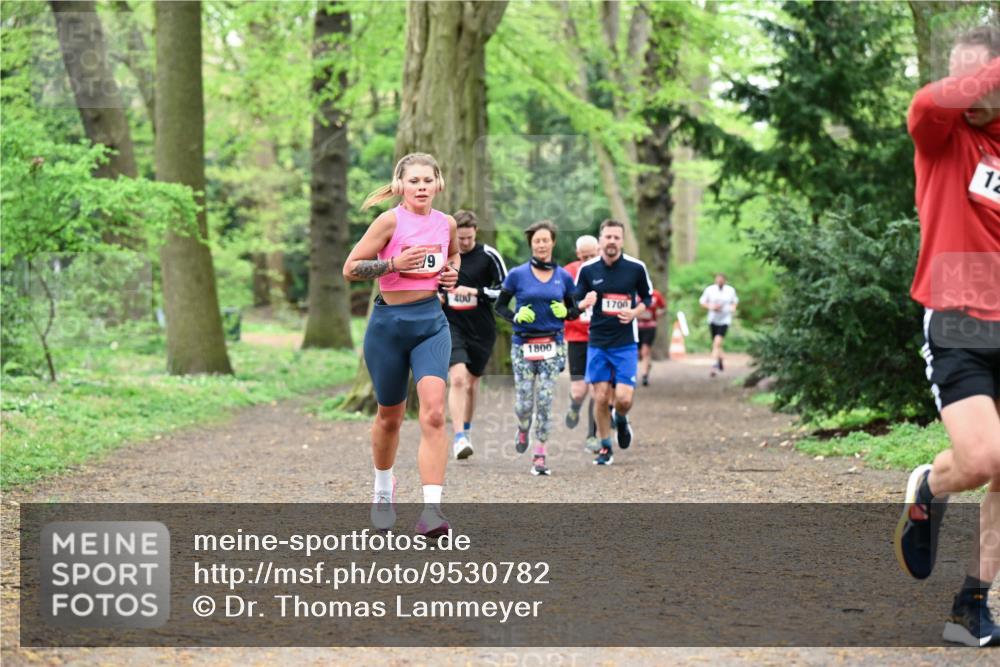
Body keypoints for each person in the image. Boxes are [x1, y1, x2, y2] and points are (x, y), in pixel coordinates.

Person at [894, 27, 1000, 647]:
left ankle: (970, 605)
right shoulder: (942, 134)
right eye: (959, 77)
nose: (964, 91)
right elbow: (930, 102)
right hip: (958, 315)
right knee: (986, 457)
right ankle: (929, 486)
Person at [343, 153, 459, 537]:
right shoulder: (389, 220)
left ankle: (431, 510)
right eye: (414, 181)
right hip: (389, 326)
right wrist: (394, 265)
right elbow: (350, 268)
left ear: (438, 184)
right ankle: (382, 488)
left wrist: (452, 271)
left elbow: (453, 254)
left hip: (431, 324)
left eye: (428, 180)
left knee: (434, 414)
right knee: (390, 417)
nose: (422, 187)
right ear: (400, 186)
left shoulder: (447, 224)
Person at [495, 220, 579, 476]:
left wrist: (566, 311)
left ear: (552, 242)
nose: (541, 245)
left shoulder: (563, 277)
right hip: (523, 346)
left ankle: (540, 454)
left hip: (552, 344)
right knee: (523, 404)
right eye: (537, 241)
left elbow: (574, 310)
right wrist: (516, 317)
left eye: (545, 240)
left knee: (544, 400)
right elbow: (500, 307)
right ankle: (522, 427)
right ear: (531, 244)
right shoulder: (517, 275)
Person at [575, 219, 653, 466]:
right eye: (607, 237)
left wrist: (634, 312)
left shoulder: (636, 268)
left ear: (622, 240)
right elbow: (575, 300)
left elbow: (648, 298)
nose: (611, 241)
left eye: (616, 237)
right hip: (598, 341)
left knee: (623, 399)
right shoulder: (588, 270)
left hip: (625, 343)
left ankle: (621, 419)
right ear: (601, 240)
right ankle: (605, 446)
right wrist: (583, 302)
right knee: (599, 398)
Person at [441, 209, 507, 460]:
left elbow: (505, 290)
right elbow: (432, 285)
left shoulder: (489, 256)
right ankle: (458, 438)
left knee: (471, 383)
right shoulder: (443, 256)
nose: (465, 243)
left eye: (469, 238)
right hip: (451, 325)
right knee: (457, 379)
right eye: (461, 238)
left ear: (475, 233)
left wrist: (477, 292)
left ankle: (466, 431)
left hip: (481, 329)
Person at [563, 235, 602, 452]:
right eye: (584, 256)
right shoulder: (568, 273)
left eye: (592, 256)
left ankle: (592, 435)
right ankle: (575, 405)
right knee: (579, 391)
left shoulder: (605, 270)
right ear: (578, 254)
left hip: (600, 337)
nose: (588, 260)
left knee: (598, 390)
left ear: (599, 251)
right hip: (577, 337)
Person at [699, 273, 738, 377]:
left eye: (721, 279)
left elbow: (735, 302)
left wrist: (733, 308)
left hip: (725, 320)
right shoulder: (710, 290)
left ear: (725, 280)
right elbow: (702, 302)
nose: (719, 281)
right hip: (713, 320)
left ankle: (714, 365)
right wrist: (711, 307)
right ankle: (720, 359)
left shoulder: (730, 290)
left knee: (717, 342)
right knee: (716, 344)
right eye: (718, 279)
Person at [637, 287, 667, 386]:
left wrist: (657, 314)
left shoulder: (655, 294)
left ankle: (645, 376)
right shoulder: (634, 292)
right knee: (638, 353)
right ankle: (647, 364)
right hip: (636, 327)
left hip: (650, 326)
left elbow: (663, 307)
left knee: (645, 351)